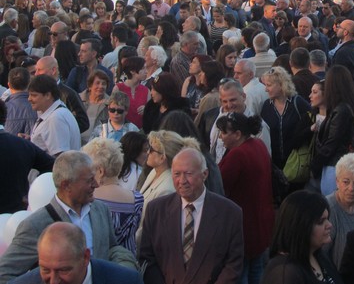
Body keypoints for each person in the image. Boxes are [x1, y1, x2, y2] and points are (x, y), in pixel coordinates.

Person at [0, 151, 137, 283]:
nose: (96, 184)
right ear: (66, 185)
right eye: (89, 180)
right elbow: (4, 273)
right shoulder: (35, 225)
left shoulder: (100, 209)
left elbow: (111, 248)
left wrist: (125, 268)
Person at [139, 148, 244, 283]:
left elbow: (234, 264)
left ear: (204, 174)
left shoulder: (230, 213)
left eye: (188, 174)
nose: (182, 181)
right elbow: (147, 258)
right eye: (177, 174)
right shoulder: (156, 210)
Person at [216, 113, 274, 284]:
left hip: (243, 230)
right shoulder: (258, 145)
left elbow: (220, 186)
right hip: (261, 226)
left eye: (224, 133)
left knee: (241, 275)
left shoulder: (237, 155)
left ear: (238, 134)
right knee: (257, 271)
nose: (221, 137)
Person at [8, 222, 142, 284]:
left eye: (63, 270)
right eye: (45, 270)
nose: (54, 281)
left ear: (85, 257)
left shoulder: (126, 280)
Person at [261, 190, 343, 284]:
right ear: (300, 227)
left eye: (327, 219)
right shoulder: (284, 273)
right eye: (321, 221)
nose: (329, 225)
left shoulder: (318, 255)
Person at [82, 138, 144, 255]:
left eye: (88, 169)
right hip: (126, 265)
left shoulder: (88, 200)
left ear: (100, 171)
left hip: (98, 263)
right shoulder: (137, 199)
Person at [312, 65, 354, 195]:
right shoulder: (345, 106)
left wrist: (316, 164)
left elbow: (332, 142)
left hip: (334, 165)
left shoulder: (341, 110)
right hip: (336, 163)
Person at [0, 99, 54, 214]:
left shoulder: (24, 145)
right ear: (5, 118)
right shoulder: (23, 145)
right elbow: (54, 166)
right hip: (15, 216)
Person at [322, 154, 354, 269]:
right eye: (346, 182)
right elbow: (320, 254)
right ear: (337, 181)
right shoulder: (329, 208)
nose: (351, 188)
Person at [260, 66, 312, 170]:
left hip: (296, 163)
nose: (266, 89)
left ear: (281, 85)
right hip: (274, 164)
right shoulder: (266, 106)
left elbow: (311, 124)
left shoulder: (298, 102)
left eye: (269, 85)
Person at [28, 74, 80, 156]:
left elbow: (61, 157)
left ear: (48, 95)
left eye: (34, 95)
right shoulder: (56, 113)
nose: (29, 99)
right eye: (29, 95)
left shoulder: (55, 118)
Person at [112, 56, 149, 128]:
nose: (146, 71)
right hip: (121, 130)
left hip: (140, 131)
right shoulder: (118, 88)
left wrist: (146, 110)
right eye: (142, 68)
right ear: (132, 71)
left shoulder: (146, 90)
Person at [79, 70, 110, 143]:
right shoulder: (78, 100)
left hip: (97, 144)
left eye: (104, 84)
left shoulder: (110, 104)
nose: (101, 86)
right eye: (97, 83)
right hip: (78, 141)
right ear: (90, 86)